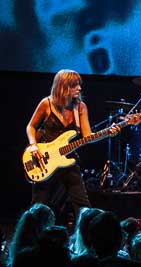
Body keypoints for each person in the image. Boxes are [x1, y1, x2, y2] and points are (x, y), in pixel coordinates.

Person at [25, 69, 115, 222]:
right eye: (75, 85)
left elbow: (87, 137)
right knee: (38, 206)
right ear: (63, 86)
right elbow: (31, 127)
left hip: (68, 159)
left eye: (79, 85)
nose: (79, 88)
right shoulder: (46, 103)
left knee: (82, 204)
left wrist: (107, 133)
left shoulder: (80, 107)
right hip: (44, 160)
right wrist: (33, 145)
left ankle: (86, 239)